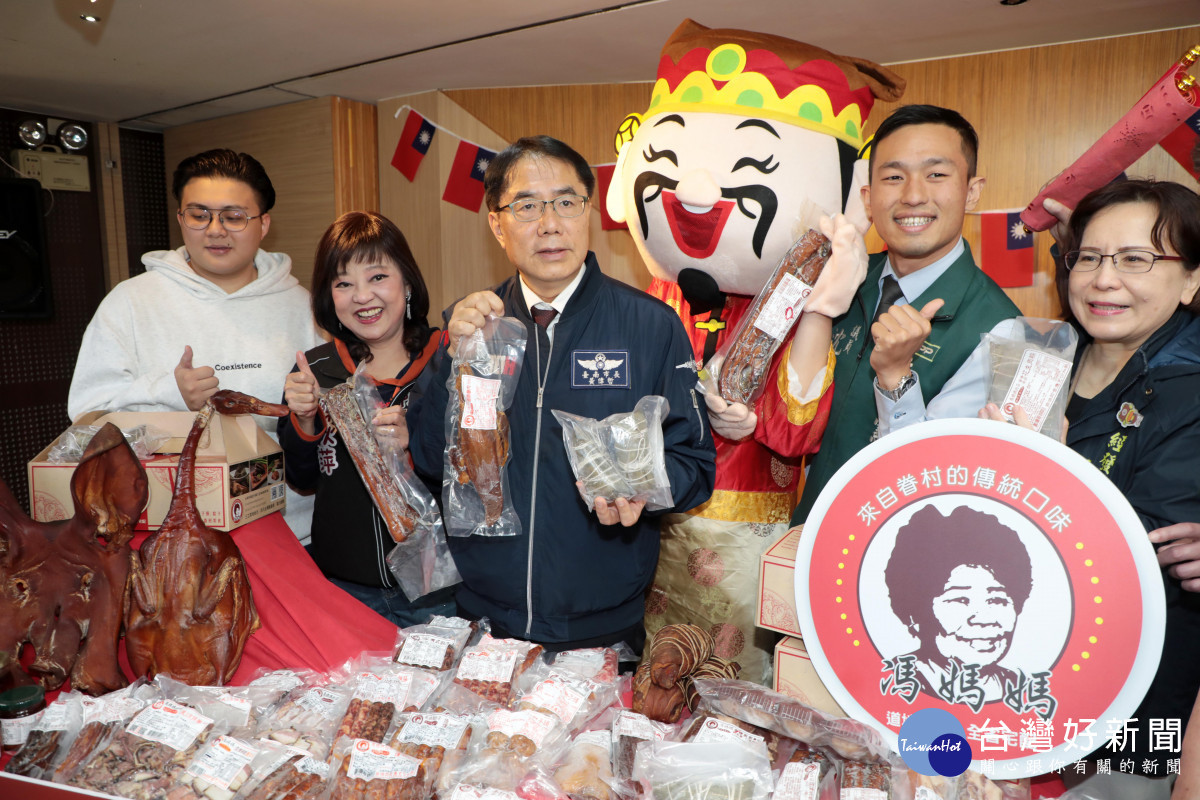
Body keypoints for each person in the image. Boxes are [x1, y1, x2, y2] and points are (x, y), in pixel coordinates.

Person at [407, 135, 716, 652]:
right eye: (527, 206)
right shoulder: (474, 327)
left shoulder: (651, 325)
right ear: (497, 224)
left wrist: (643, 489)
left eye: (566, 202)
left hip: (602, 623)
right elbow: (429, 456)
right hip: (485, 621)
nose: (550, 223)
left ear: (587, 210)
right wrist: (452, 359)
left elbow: (695, 464)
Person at [971, 179, 1200, 783]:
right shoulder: (1047, 355)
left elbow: (1146, 558)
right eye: (1090, 257)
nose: (1104, 280)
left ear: (1192, 279)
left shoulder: (1188, 392)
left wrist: (1049, 478)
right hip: (1017, 676)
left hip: (1125, 711)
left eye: (1136, 259)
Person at [67, 148, 324, 543]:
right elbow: (86, 417)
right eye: (199, 214)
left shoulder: (303, 307)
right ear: (180, 218)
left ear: (263, 223)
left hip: (291, 533)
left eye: (234, 216)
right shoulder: (131, 302)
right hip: (167, 540)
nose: (215, 230)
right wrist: (168, 393)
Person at [791, 105, 1020, 525]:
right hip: (802, 533)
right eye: (894, 177)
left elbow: (934, 478)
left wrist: (896, 377)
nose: (913, 195)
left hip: (893, 545)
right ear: (868, 198)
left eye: (936, 174)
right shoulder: (843, 278)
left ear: (972, 192)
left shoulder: (999, 330)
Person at [278, 211, 454, 627]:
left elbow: (479, 474)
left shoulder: (447, 360)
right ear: (329, 298)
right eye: (343, 284)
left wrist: (416, 439)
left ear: (407, 283)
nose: (362, 296)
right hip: (344, 590)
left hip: (442, 591)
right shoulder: (316, 370)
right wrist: (304, 419)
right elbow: (301, 478)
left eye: (378, 277)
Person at [884, 505, 1032, 708]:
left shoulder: (1026, 693)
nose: (984, 619)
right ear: (914, 614)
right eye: (961, 600)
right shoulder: (889, 683)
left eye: (997, 600)